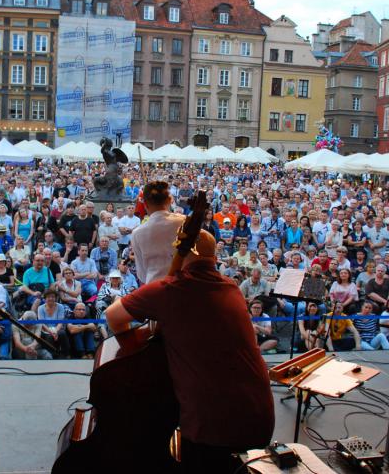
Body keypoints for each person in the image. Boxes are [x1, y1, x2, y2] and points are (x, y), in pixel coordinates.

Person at [105, 230, 274, 472]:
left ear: (183, 252)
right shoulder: (231, 288)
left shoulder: (168, 290)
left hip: (211, 430)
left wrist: (137, 356)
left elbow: (113, 316)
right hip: (260, 418)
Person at [130, 181, 185, 284]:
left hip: (154, 287)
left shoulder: (137, 233)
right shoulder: (184, 222)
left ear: (145, 204)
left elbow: (142, 274)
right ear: (170, 200)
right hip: (183, 286)